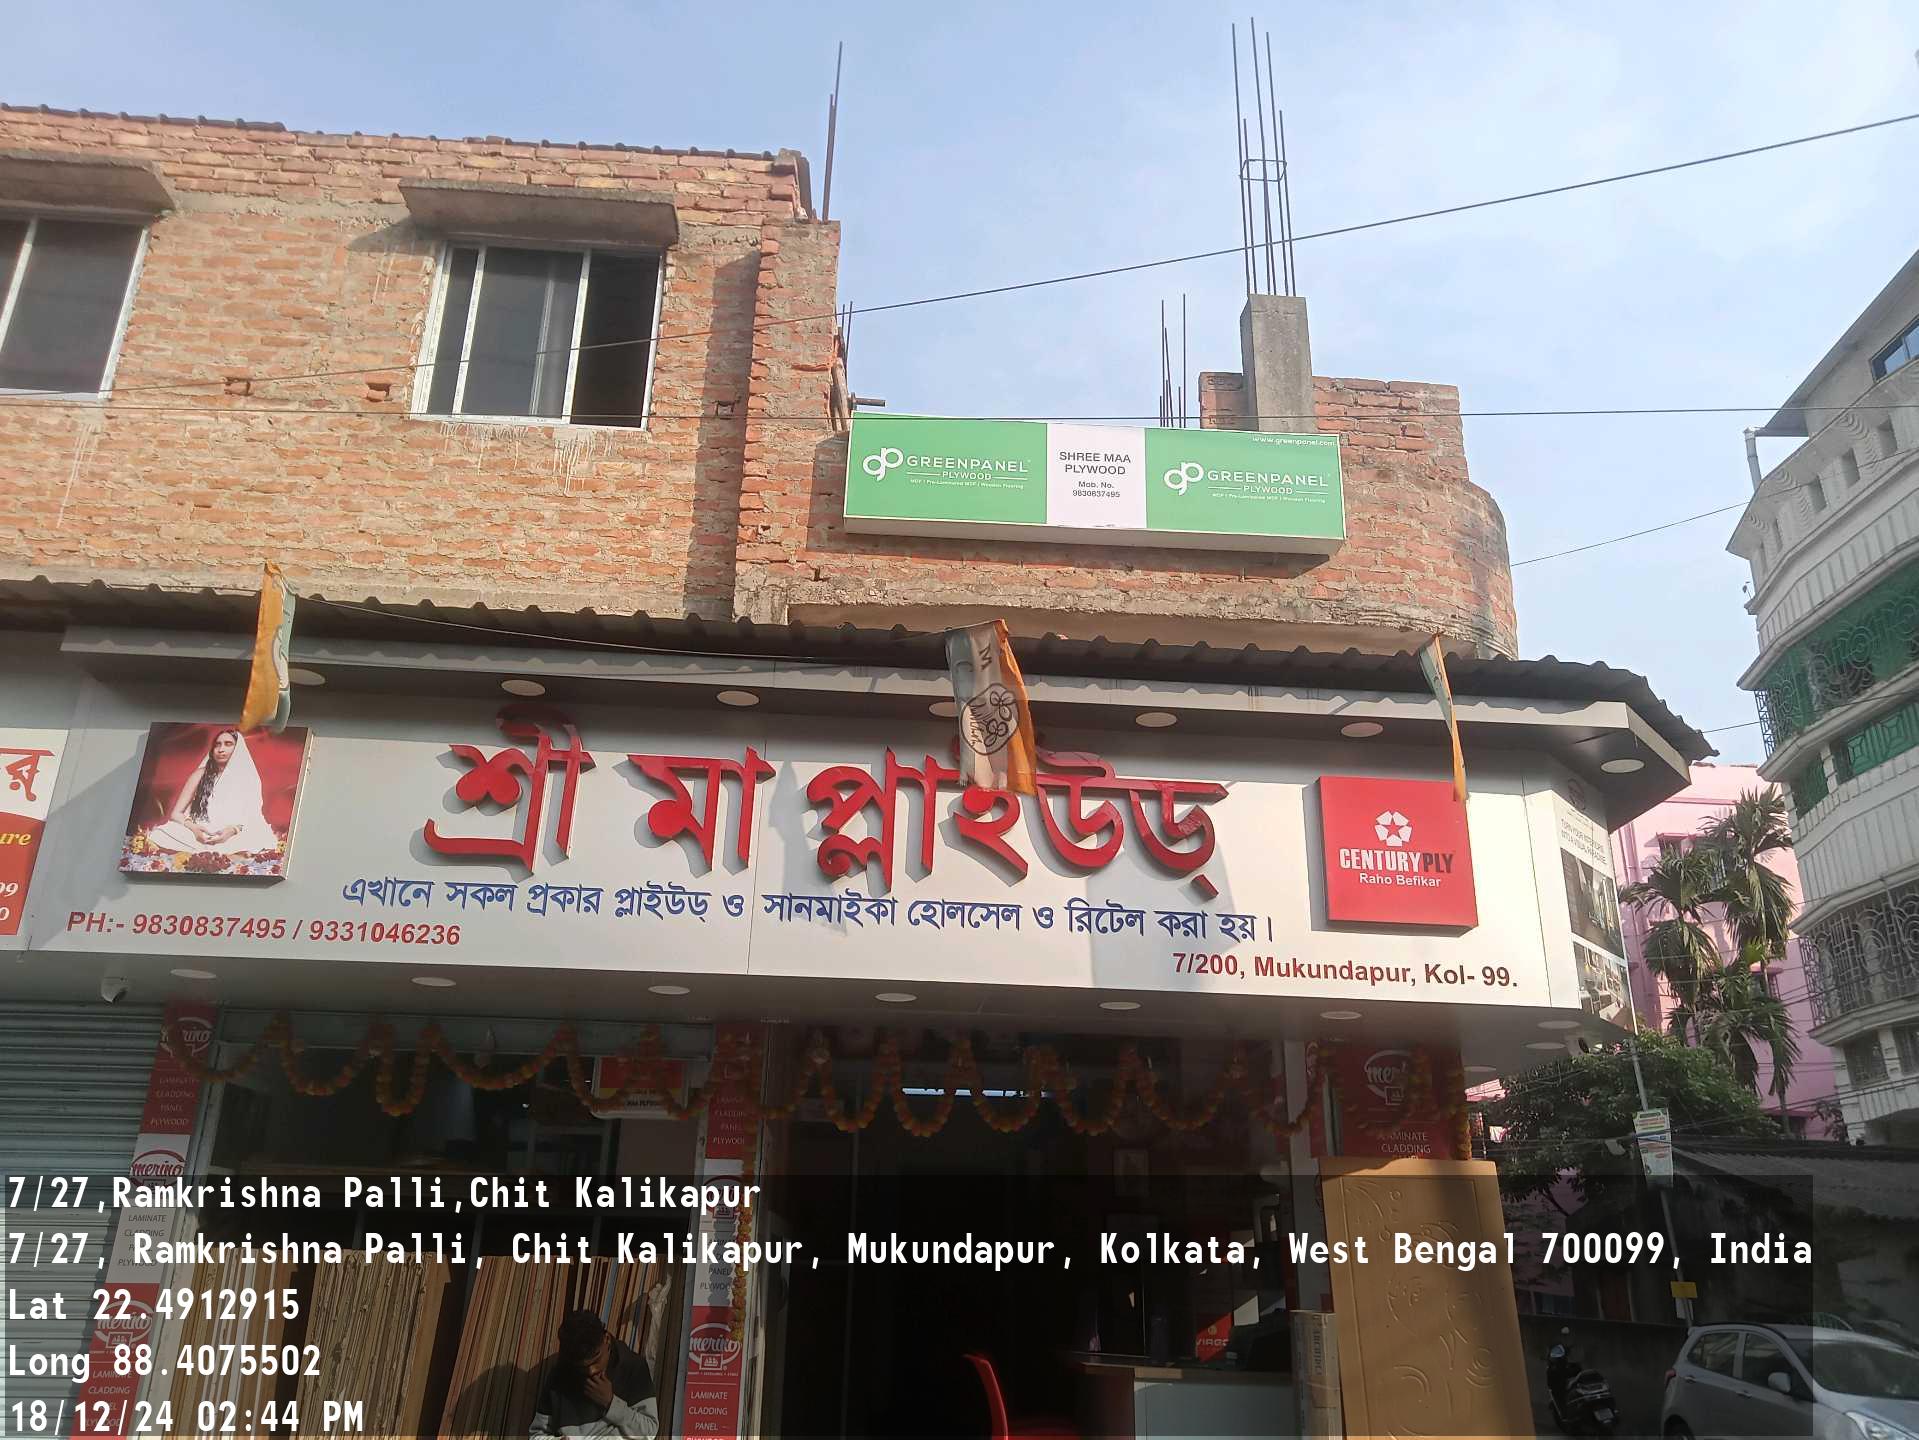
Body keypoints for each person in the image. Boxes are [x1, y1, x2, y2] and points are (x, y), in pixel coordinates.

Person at [143, 728, 280, 855]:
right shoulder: (200, 774)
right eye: (217, 745)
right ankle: (220, 852)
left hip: (232, 833)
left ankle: (216, 851)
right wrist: (194, 828)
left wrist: (232, 830)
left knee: (259, 836)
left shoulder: (248, 778)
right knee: (160, 834)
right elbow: (176, 813)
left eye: (228, 744)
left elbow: (253, 816)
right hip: (198, 832)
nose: (221, 749)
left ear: (238, 748)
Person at [529, 1309, 658, 1438]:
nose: (591, 1371)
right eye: (582, 1367)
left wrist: (611, 1403)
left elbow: (649, 1431)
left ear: (606, 1339)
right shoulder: (561, 1375)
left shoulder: (631, 1366)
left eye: (596, 1360)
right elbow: (536, 1434)